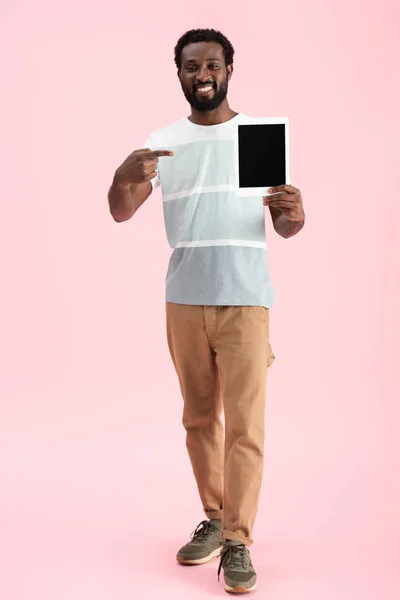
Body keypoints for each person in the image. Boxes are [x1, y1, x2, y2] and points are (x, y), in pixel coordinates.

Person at [108, 28, 305, 594]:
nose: (203, 75)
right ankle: (216, 520)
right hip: (184, 299)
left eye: (212, 65)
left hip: (245, 296)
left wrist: (295, 214)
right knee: (199, 419)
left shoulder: (258, 136)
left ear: (228, 69)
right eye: (191, 67)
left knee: (246, 425)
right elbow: (122, 212)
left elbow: (284, 225)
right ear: (179, 74)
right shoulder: (165, 142)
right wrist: (121, 178)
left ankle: (239, 541)